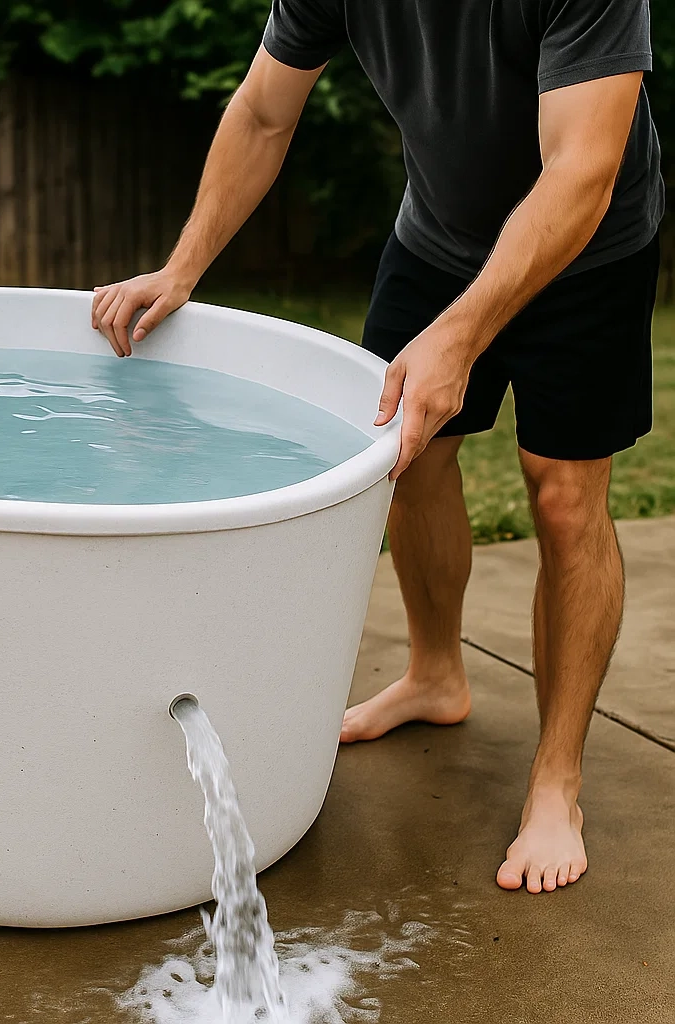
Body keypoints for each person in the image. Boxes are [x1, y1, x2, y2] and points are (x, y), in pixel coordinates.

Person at [90, 1, 664, 894]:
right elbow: (262, 111)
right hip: (436, 238)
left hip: (586, 246)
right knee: (404, 455)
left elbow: (583, 167)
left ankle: (557, 783)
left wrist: (463, 335)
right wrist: (183, 266)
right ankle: (437, 675)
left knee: (562, 495)